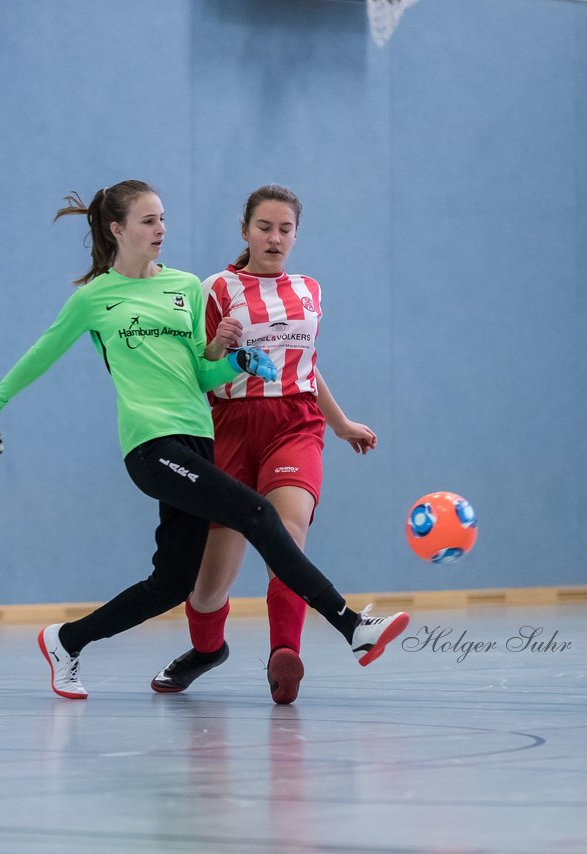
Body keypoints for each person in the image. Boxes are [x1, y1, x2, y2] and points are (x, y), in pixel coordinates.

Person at [0, 180, 409, 700]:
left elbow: (200, 375)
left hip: (199, 438)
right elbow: (40, 354)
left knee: (173, 583)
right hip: (151, 445)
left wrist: (234, 360)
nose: (161, 229)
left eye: (163, 219)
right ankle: (352, 626)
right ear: (117, 230)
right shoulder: (93, 298)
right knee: (259, 515)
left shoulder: (183, 287)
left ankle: (65, 640)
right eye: (149, 221)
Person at [149, 185, 383, 705]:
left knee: (288, 534)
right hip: (228, 428)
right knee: (209, 586)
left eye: (285, 229)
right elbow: (198, 373)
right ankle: (207, 651)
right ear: (245, 230)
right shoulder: (216, 288)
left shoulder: (310, 290)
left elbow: (307, 365)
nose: (275, 239)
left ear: (297, 235)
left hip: (294, 425)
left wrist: (340, 423)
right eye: (265, 228)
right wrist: (217, 346)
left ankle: (285, 654)